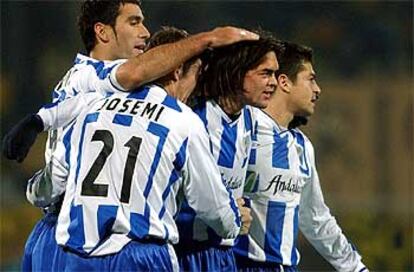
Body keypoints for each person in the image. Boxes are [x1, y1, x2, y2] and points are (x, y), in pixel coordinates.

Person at [2, 1, 258, 270]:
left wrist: (37, 129)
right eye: (134, 22)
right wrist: (210, 38)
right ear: (102, 32)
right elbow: (135, 71)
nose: (145, 32)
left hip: (71, 237)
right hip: (90, 235)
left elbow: (58, 171)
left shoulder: (97, 97)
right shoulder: (93, 77)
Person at [233, 41, 368, 272]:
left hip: (286, 267)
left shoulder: (302, 146)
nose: (318, 89)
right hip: (240, 265)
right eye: (311, 79)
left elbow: (315, 218)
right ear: (284, 82)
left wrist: (355, 267)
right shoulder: (244, 125)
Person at [174, 37, 281, 271]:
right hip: (186, 254)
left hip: (224, 256)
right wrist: (228, 214)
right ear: (237, 72)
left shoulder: (251, 121)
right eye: (265, 73)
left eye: (275, 74)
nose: (273, 82)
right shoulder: (194, 119)